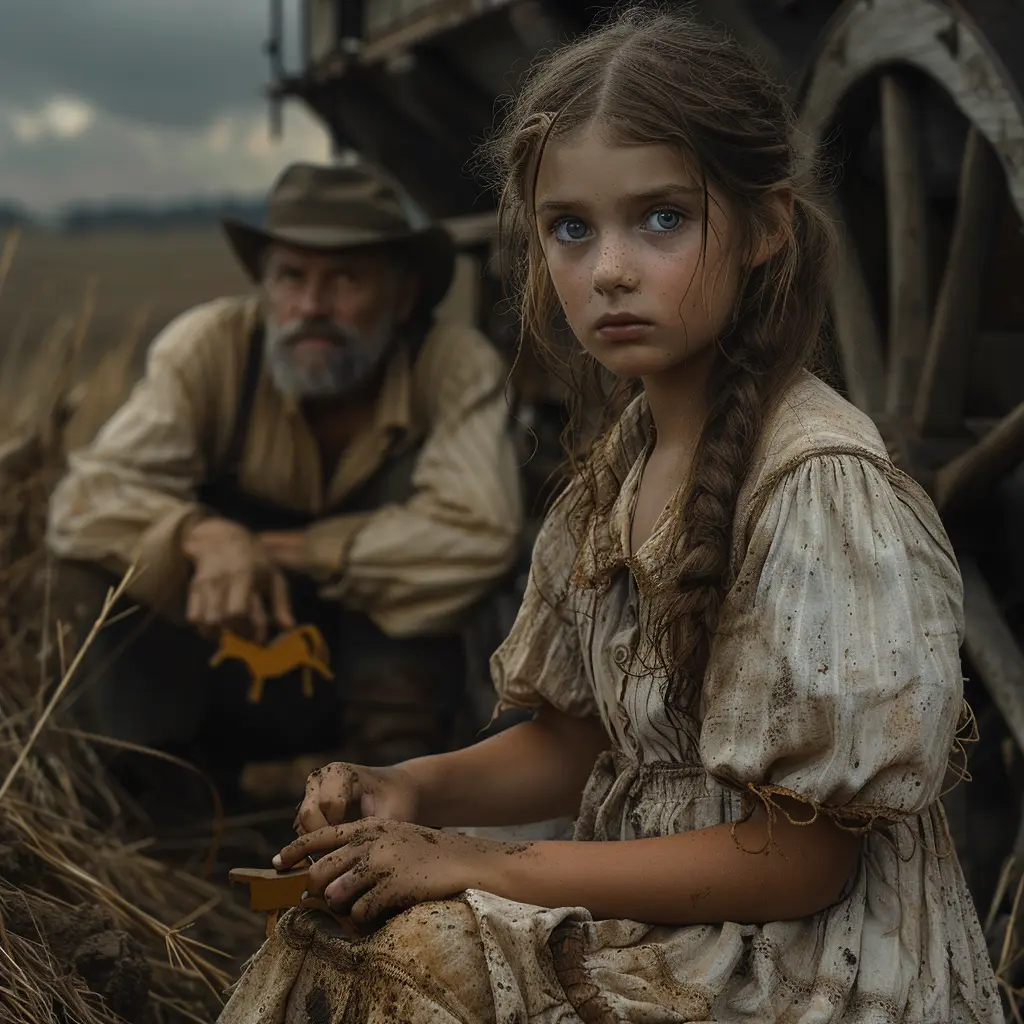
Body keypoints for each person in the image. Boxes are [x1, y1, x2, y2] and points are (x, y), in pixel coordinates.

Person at [217, 10, 1001, 1023]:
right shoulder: (619, 468)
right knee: (338, 929)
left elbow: (801, 863)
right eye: (570, 229)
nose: (609, 270)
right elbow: (573, 740)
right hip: (672, 917)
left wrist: (482, 863)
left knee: (418, 957)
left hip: (806, 965)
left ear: (766, 225)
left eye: (662, 218)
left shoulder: (815, 487)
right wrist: (408, 789)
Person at [46, 161, 523, 782]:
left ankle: (395, 812)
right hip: (220, 653)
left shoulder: (450, 365)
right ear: (264, 287)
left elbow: (482, 536)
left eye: (345, 279)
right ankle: (168, 813)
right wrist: (204, 537)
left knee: (453, 595)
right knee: (86, 579)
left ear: (404, 295)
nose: (311, 306)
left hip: (384, 676)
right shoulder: (212, 347)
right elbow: (81, 503)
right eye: (290, 277)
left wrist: (297, 550)